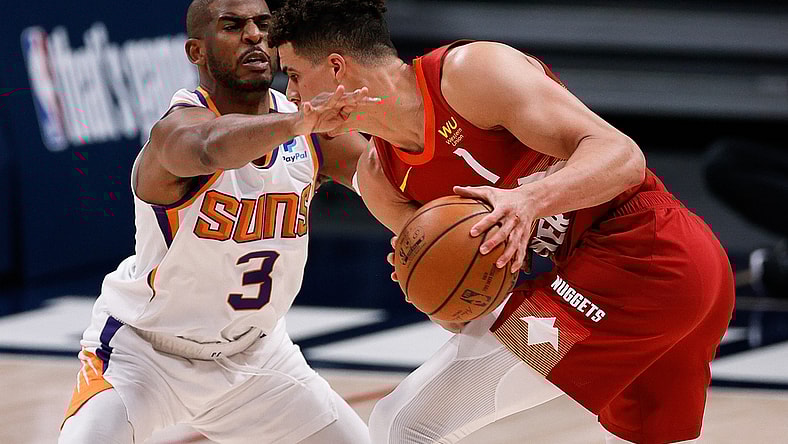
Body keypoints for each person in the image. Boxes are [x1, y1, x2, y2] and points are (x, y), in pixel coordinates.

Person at [268, 1, 736, 443]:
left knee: (408, 423)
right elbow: (466, 310)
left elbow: (623, 156)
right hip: (594, 285)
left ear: (335, 68)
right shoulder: (380, 179)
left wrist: (526, 201)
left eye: (292, 75)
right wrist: (428, 284)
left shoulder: (470, 74)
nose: (289, 95)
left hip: (647, 255)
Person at [58, 0, 374, 443]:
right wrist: (296, 123)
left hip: (258, 360)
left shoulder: (311, 133)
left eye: (263, 25)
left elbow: (390, 186)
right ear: (196, 52)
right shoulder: (175, 131)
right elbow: (209, 146)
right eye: (233, 26)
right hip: (145, 355)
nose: (254, 36)